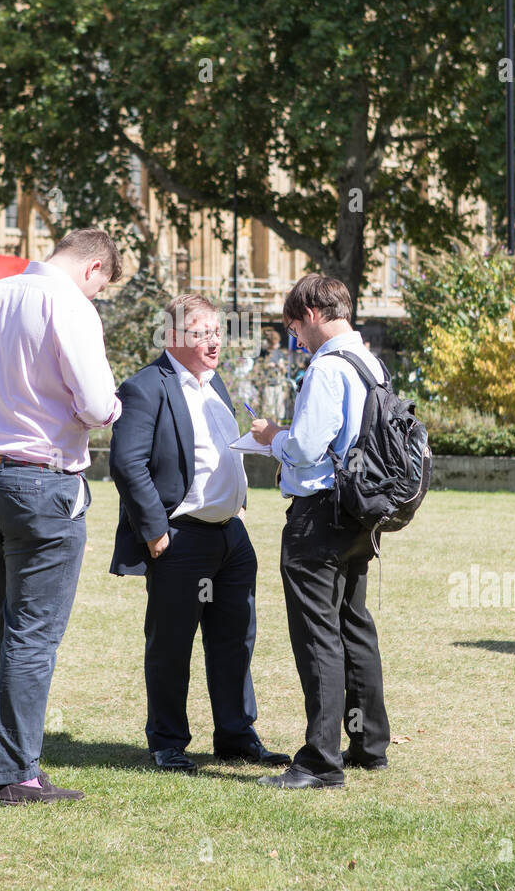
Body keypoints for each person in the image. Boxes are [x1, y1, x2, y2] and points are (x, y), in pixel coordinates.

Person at [0, 228, 122, 806]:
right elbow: (99, 405)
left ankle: (13, 761)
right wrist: (106, 405)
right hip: (42, 479)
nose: (97, 296)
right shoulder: (69, 304)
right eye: (102, 287)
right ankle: (16, 773)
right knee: (33, 634)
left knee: (7, 625)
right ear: (94, 268)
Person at [109, 292, 291, 774]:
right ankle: (167, 742)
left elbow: (224, 450)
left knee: (235, 641)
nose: (214, 342)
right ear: (172, 337)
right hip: (179, 539)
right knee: (171, 645)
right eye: (202, 333)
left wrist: (242, 505)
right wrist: (154, 533)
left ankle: (236, 736)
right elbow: (126, 464)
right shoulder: (145, 387)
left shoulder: (216, 385)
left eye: (217, 331)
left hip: (231, 539)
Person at [251, 274, 390, 790]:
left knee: (318, 636)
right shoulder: (370, 362)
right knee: (354, 625)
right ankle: (369, 744)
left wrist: (272, 438)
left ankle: (319, 761)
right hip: (361, 512)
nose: (295, 340)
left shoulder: (329, 367)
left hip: (319, 513)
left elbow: (308, 447)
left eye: (294, 329)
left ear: (311, 312)